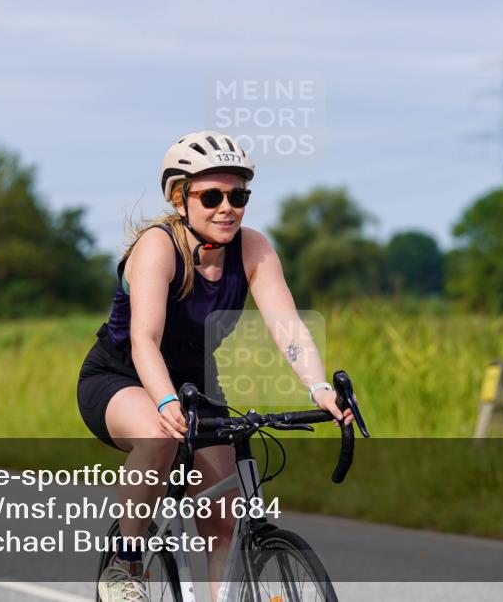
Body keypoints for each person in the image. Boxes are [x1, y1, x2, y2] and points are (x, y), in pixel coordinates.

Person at [77, 131, 354, 602]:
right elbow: (145, 339)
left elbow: (287, 327)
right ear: (180, 198)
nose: (227, 207)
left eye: (238, 195)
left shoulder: (253, 249)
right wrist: (164, 402)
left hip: (197, 385)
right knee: (159, 436)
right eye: (211, 196)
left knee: (223, 518)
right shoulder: (158, 248)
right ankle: (126, 563)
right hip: (121, 377)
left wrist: (318, 388)